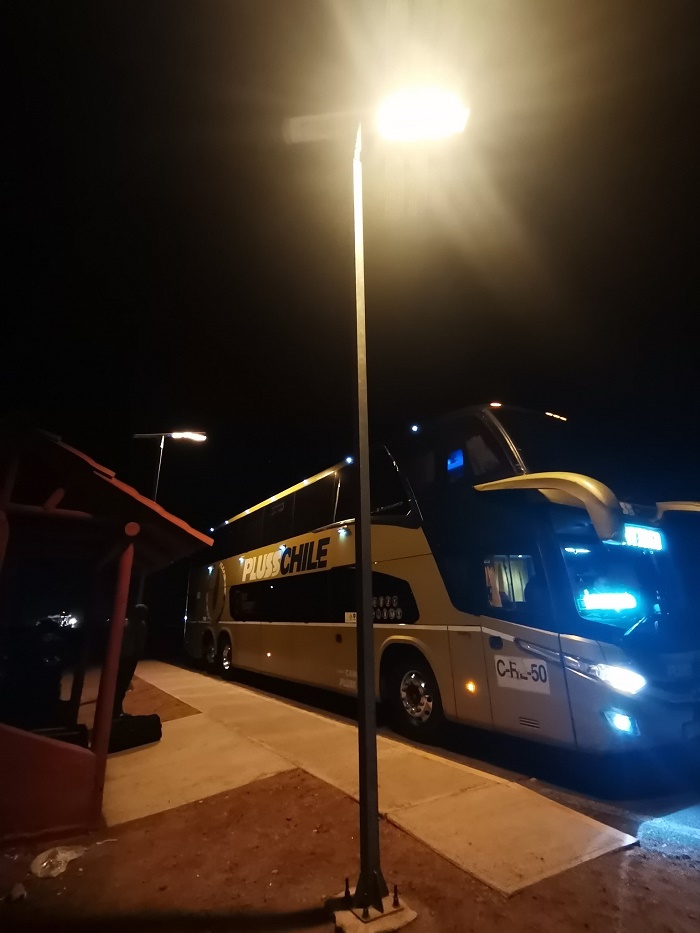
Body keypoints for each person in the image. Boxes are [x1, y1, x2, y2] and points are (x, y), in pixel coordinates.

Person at [113, 603, 149, 718]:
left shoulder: (125, 622)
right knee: (122, 684)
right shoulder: (140, 625)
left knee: (119, 684)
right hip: (130, 657)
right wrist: (138, 654)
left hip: (121, 656)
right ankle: (116, 710)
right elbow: (139, 643)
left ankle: (115, 709)